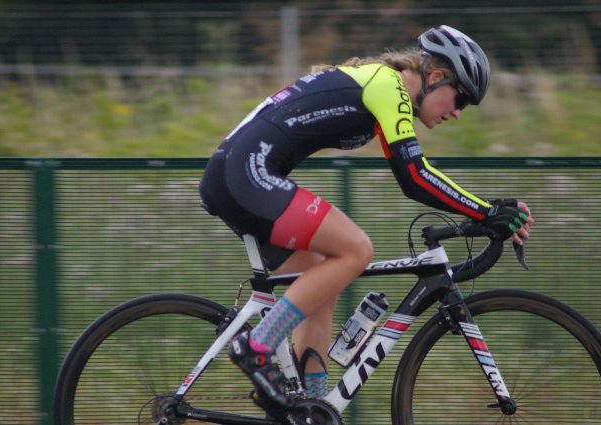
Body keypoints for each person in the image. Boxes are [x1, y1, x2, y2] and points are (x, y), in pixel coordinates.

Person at [199, 25, 534, 407]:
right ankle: (257, 346)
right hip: (246, 174)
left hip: (237, 175)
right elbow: (415, 177)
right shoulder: (389, 86)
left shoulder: (382, 88)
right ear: (436, 77)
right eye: (460, 99)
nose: (457, 113)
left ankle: (310, 407)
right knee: (356, 250)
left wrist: (485, 208)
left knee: (320, 282)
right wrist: (487, 211)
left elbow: (413, 174)